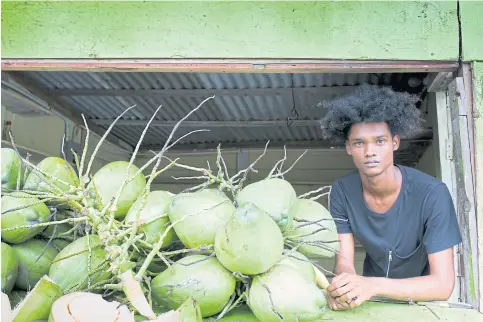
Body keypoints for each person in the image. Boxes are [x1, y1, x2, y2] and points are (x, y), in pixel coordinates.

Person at [318, 84, 462, 310]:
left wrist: (371, 285)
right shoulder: (342, 191)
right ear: (348, 147)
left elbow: (443, 284)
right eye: (359, 143)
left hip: (422, 303)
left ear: (394, 143)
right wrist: (344, 288)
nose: (370, 152)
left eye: (379, 141)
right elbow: (344, 262)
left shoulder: (432, 194)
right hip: (369, 301)